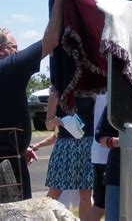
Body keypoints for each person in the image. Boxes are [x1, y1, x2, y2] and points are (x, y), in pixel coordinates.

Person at [0, 0, 64, 208]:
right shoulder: (6, 68)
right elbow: (51, 41)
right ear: (1, 50)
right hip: (4, 164)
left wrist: (22, 148)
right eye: (14, 47)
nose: (17, 52)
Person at [44, 89, 95, 220]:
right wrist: (54, 122)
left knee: (86, 192)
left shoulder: (91, 89)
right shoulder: (56, 92)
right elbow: (48, 125)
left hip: (87, 144)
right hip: (64, 145)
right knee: (55, 190)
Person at [85, 93, 109, 221]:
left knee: (101, 205)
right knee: (101, 206)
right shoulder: (115, 83)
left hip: (101, 152)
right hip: (107, 152)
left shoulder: (100, 85)